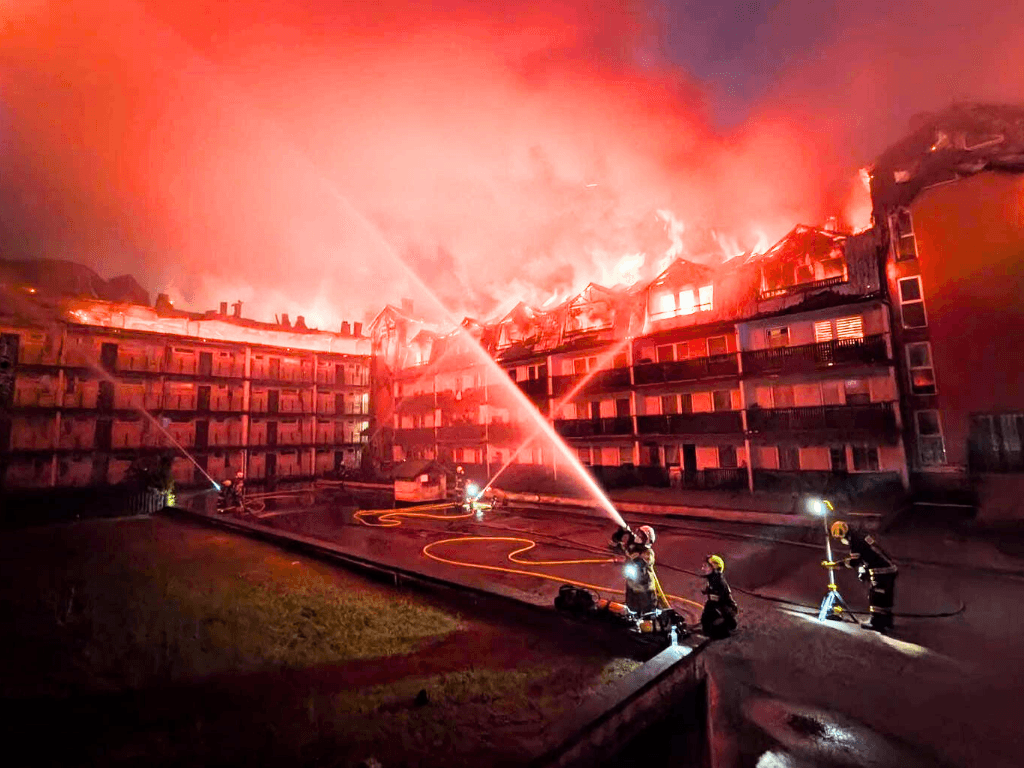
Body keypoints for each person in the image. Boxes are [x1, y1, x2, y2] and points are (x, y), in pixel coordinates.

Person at [825, 521, 898, 632]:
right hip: (889, 568)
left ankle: (876, 623)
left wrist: (836, 564)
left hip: (881, 571)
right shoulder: (860, 535)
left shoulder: (855, 541)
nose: (841, 541)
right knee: (885, 597)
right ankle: (887, 621)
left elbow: (854, 562)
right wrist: (863, 571)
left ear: (842, 534)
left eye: (839, 538)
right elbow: (866, 555)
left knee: (876, 596)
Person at [610, 525, 669, 616]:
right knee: (631, 611)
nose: (637, 537)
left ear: (647, 540)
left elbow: (642, 562)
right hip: (631, 586)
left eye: (641, 536)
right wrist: (620, 534)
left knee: (647, 614)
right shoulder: (632, 547)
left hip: (645, 591)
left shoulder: (648, 552)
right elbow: (614, 546)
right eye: (638, 534)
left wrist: (628, 559)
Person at [700, 554, 738, 638]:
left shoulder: (719, 583)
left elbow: (723, 599)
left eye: (706, 566)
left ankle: (727, 625)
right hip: (717, 605)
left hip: (722, 608)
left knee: (713, 630)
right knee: (705, 622)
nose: (703, 569)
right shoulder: (713, 580)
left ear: (714, 568)